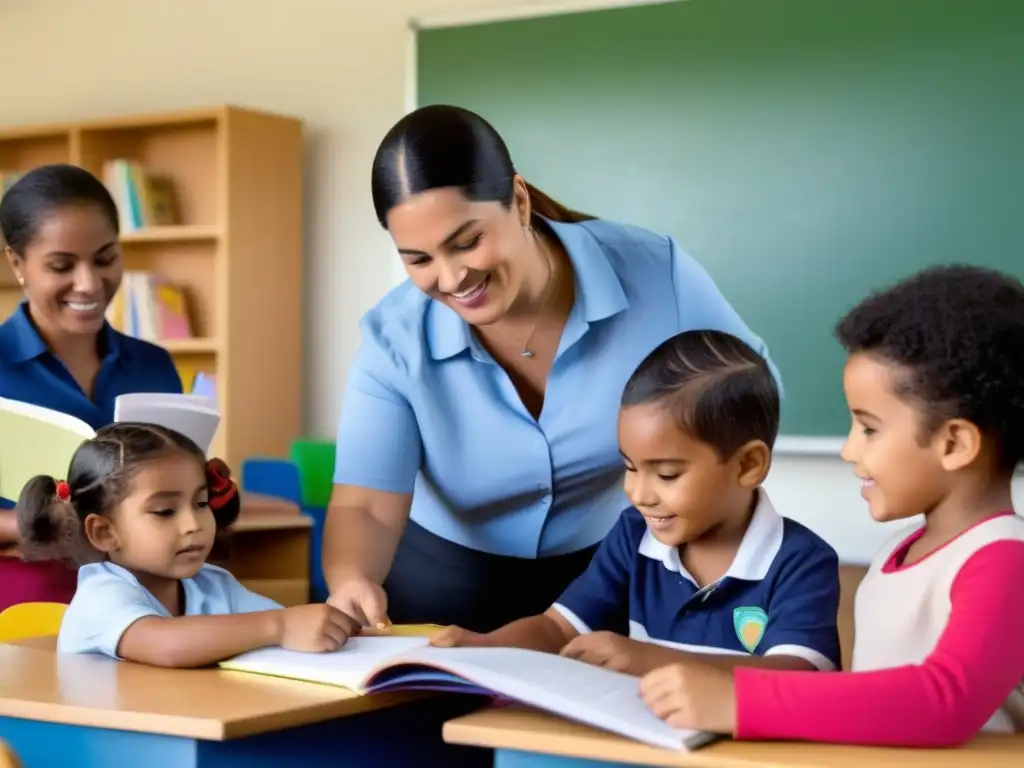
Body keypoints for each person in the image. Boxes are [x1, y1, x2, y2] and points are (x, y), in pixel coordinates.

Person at [326, 105, 781, 632]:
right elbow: (366, 504)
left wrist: (691, 504)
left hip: (606, 573)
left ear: (518, 200)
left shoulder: (657, 275)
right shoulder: (394, 338)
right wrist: (352, 579)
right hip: (442, 583)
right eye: (418, 259)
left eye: (467, 242)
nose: (451, 278)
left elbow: (750, 395)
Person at [639, 265, 1024, 746]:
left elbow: (942, 701)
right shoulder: (900, 551)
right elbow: (869, 703)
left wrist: (739, 700)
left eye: (868, 428)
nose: (849, 449)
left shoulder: (1003, 559)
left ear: (954, 445)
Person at [430, 329, 840, 677]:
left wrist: (649, 660)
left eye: (666, 475)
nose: (639, 493)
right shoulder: (634, 535)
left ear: (748, 465)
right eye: (630, 467)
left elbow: (798, 675)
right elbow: (558, 629)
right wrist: (484, 646)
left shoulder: (801, 562)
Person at [15, 422, 358, 666]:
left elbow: (290, 626)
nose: (193, 525)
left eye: (201, 503)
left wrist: (333, 623)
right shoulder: (102, 595)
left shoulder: (213, 584)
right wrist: (280, 627)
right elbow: (167, 643)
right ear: (105, 533)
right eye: (165, 511)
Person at [0, 164, 183, 611]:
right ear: (17, 262)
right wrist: (37, 525)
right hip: (26, 602)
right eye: (62, 265)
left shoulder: (154, 366)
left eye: (105, 259)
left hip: (144, 599)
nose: (89, 283)